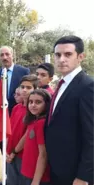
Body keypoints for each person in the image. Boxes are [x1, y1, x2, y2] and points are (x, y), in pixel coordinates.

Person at [45, 36, 94, 185]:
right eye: (58, 55)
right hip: (57, 168)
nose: (61, 59)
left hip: (74, 173)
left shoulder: (87, 86)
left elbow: (91, 136)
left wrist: (83, 176)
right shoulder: (62, 84)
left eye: (68, 54)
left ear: (80, 57)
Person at [0, 46, 30, 164]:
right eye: (2, 55)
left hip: (20, 115)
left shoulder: (24, 71)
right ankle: (7, 175)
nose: (5, 57)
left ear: (12, 55)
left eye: (7, 54)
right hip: (3, 116)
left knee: (18, 144)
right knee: (4, 145)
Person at [6, 75, 38, 185]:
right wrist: (7, 150)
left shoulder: (33, 111)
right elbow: (10, 131)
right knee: (11, 180)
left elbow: (27, 136)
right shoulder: (16, 108)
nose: (24, 90)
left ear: (35, 89)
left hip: (22, 155)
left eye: (28, 88)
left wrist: (14, 152)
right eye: (22, 86)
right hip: (10, 153)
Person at [21, 89, 51, 185]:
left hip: (37, 176)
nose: (33, 105)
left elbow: (43, 154)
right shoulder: (34, 120)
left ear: (46, 104)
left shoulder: (41, 123)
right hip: (27, 171)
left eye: (38, 102)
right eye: (31, 102)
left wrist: (36, 181)